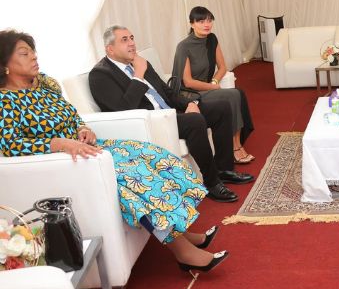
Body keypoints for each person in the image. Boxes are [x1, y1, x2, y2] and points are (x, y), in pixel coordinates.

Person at [0, 30, 227, 272]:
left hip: (89, 148)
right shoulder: (4, 102)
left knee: (151, 155)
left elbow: (71, 114)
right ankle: (182, 252)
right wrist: (58, 144)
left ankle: (180, 231)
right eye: (24, 54)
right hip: (65, 162)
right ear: (4, 65)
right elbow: (10, 146)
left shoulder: (44, 84)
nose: (34, 57)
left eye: (33, 51)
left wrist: (82, 128)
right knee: (134, 179)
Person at [89, 25, 254, 203]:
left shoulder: (140, 62)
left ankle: (223, 169)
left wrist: (189, 103)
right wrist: (138, 75)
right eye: (124, 40)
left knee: (221, 107)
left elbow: (166, 93)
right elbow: (123, 109)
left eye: (132, 38)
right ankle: (212, 182)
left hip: (170, 112)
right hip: (152, 121)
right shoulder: (101, 74)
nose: (132, 43)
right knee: (194, 121)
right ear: (110, 49)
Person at [171, 6, 255, 164]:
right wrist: (213, 87)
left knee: (237, 94)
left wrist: (215, 81)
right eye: (201, 21)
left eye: (209, 20)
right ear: (192, 24)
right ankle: (235, 148)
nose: (206, 24)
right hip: (189, 93)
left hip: (207, 88)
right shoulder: (184, 47)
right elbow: (187, 81)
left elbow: (223, 67)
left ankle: (236, 145)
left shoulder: (212, 39)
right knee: (233, 95)